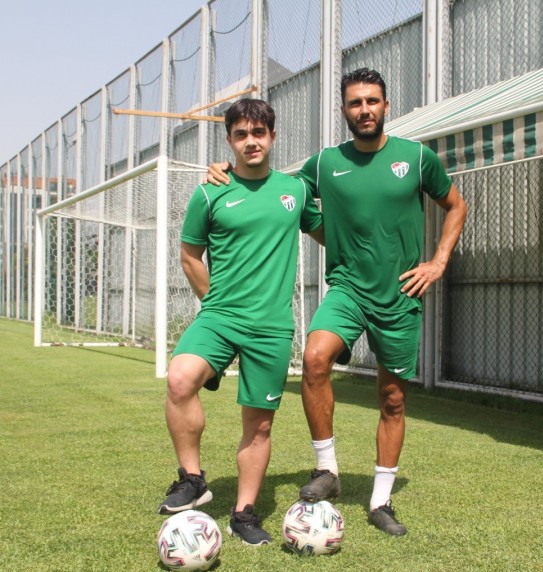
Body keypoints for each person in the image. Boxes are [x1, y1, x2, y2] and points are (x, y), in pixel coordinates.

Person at [207, 68, 467, 536]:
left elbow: (456, 205)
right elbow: (278, 191)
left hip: (400, 293)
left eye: (372, 101)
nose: (364, 110)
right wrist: (227, 171)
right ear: (344, 110)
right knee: (314, 357)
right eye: (355, 103)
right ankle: (327, 468)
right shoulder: (326, 163)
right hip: (346, 289)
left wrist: (438, 262)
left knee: (392, 399)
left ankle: (381, 501)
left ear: (386, 106)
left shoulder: (416, 157)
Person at [159, 98, 324, 546]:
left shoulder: (296, 191)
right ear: (230, 140)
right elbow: (190, 256)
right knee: (179, 378)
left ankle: (243, 514)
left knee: (260, 424)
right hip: (219, 316)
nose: (251, 141)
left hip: (271, 327)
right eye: (241, 134)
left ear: (272, 136)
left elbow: (330, 233)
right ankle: (192, 479)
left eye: (258, 133)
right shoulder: (210, 191)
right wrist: (215, 302)